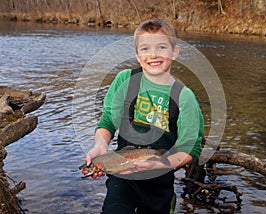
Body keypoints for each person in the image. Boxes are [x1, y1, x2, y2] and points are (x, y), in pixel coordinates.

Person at [82, 18, 204, 214]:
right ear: (137, 55)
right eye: (145, 48)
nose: (153, 54)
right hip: (122, 177)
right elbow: (108, 121)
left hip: (159, 183)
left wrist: (162, 162)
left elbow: (190, 146)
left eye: (162, 47)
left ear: (175, 52)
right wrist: (100, 145)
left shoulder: (184, 96)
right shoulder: (125, 80)